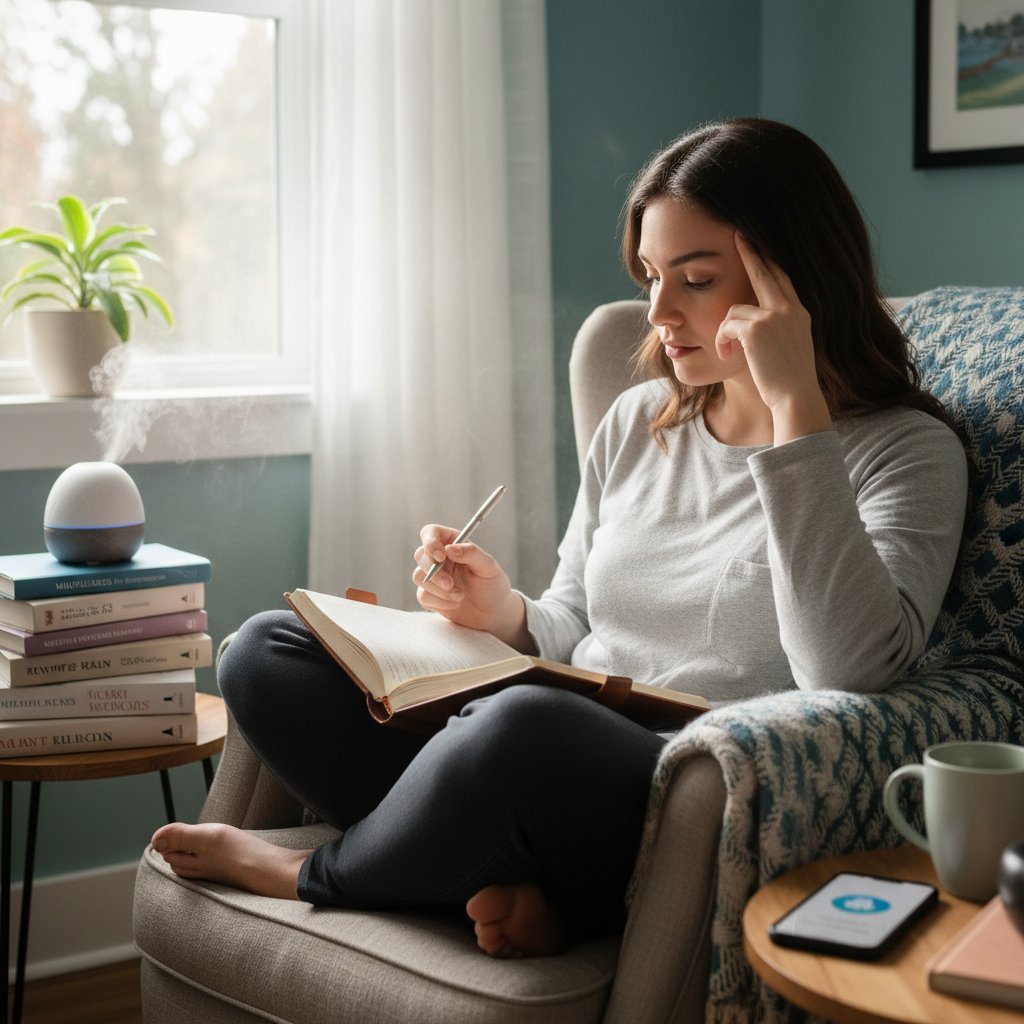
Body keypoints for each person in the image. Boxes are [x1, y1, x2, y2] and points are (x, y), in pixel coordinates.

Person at [151, 118, 968, 959]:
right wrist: (502, 613)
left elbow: (848, 672)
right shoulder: (636, 423)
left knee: (519, 730)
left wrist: (796, 413)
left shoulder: (905, 450)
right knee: (268, 651)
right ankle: (530, 889)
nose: (657, 311)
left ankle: (319, 876)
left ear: (790, 280)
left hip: (675, 789)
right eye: (651, 275)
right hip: (540, 747)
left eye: (693, 278)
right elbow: (576, 622)